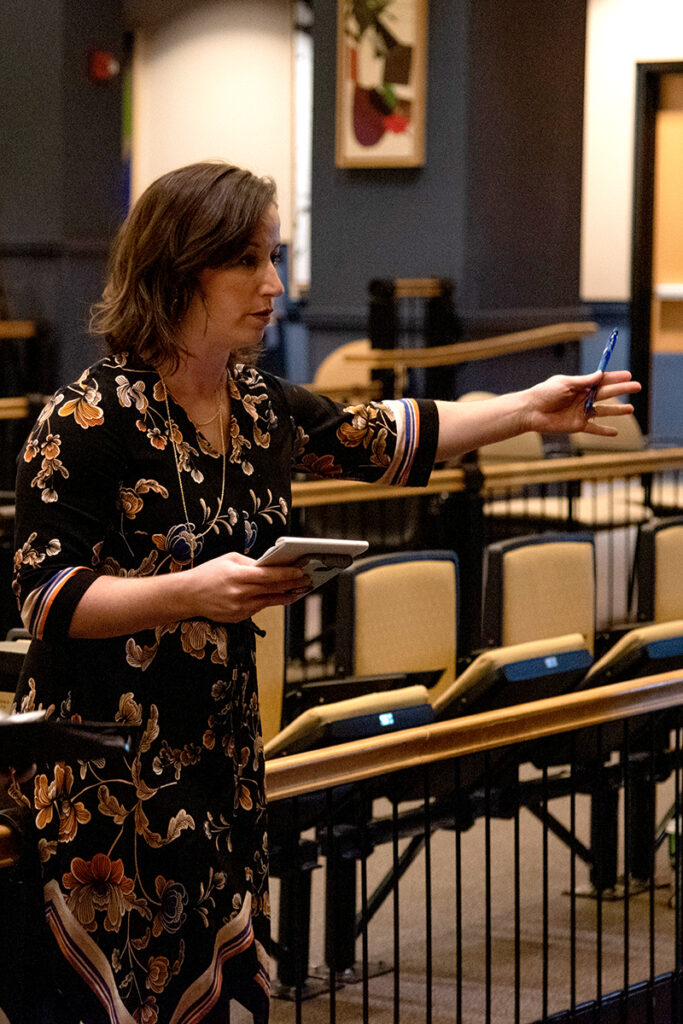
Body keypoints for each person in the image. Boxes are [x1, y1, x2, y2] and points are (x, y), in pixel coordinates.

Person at [7, 160, 640, 1023]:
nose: (274, 285)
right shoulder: (86, 416)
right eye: (250, 263)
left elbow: (390, 436)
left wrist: (529, 408)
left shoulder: (257, 406)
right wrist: (191, 592)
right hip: (106, 781)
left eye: (275, 258)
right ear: (178, 267)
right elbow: (44, 595)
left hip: (218, 757)